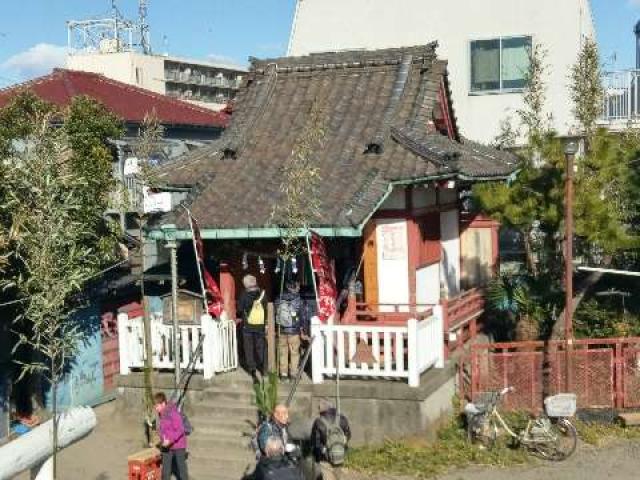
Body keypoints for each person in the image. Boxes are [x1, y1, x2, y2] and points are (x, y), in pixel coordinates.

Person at [311, 399, 351, 480]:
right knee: (338, 476)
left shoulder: (318, 422)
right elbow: (349, 435)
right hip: (339, 456)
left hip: (325, 458)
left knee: (327, 477)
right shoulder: (342, 419)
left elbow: (315, 443)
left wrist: (317, 458)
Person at [238, 274, 267, 383]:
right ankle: (263, 369)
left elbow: (240, 309)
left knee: (249, 348)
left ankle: (253, 371)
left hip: (247, 327)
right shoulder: (263, 294)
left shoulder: (243, 295)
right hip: (260, 326)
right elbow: (265, 309)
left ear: (245, 284)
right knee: (261, 347)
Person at [154, 392, 189, 480]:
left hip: (179, 445)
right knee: (165, 471)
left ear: (163, 404)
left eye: (157, 405)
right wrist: (162, 437)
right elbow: (162, 429)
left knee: (182, 470)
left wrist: (170, 440)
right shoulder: (161, 414)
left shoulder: (173, 412)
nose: (155, 408)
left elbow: (180, 429)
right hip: (166, 446)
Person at [275, 280, 304, 379]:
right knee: (294, 352)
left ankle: (283, 374)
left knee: (282, 352)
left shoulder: (278, 299)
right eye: (298, 286)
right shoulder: (298, 299)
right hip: (294, 330)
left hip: (281, 329)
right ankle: (293, 373)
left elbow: (276, 312)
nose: (299, 288)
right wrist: (303, 329)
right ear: (293, 287)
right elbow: (302, 316)